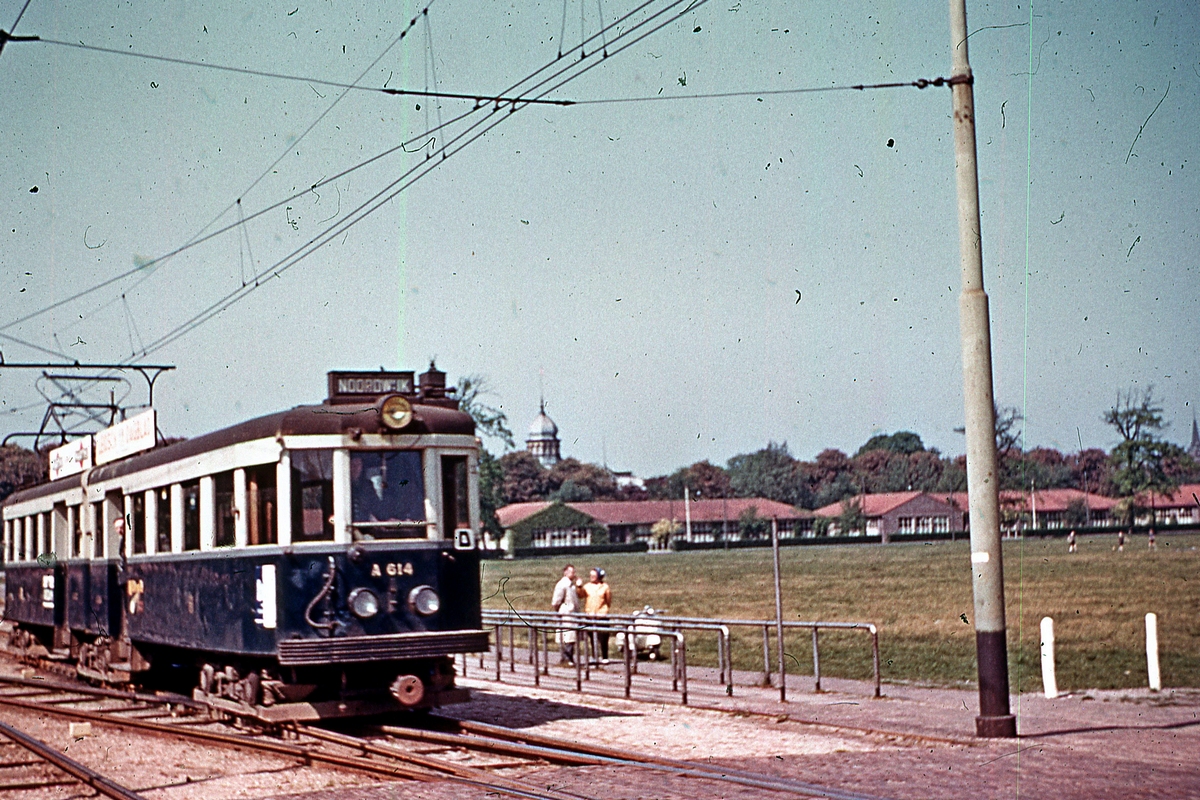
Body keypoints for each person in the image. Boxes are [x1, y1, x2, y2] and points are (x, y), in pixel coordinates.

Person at [550, 564, 582, 665]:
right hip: (566, 614)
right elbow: (556, 601)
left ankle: (568, 658)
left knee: (571, 637)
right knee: (567, 637)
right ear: (565, 572)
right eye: (572, 572)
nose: (574, 574)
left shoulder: (571, 585)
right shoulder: (562, 584)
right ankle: (566, 658)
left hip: (572, 614)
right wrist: (561, 610)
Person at [581, 567, 612, 665]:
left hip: (601, 615)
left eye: (594, 576)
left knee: (603, 637)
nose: (592, 577)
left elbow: (608, 600)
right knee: (591, 637)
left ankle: (605, 656)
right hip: (590, 615)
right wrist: (578, 587)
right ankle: (594, 656)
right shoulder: (587, 586)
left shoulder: (605, 587)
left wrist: (603, 609)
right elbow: (581, 595)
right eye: (591, 576)